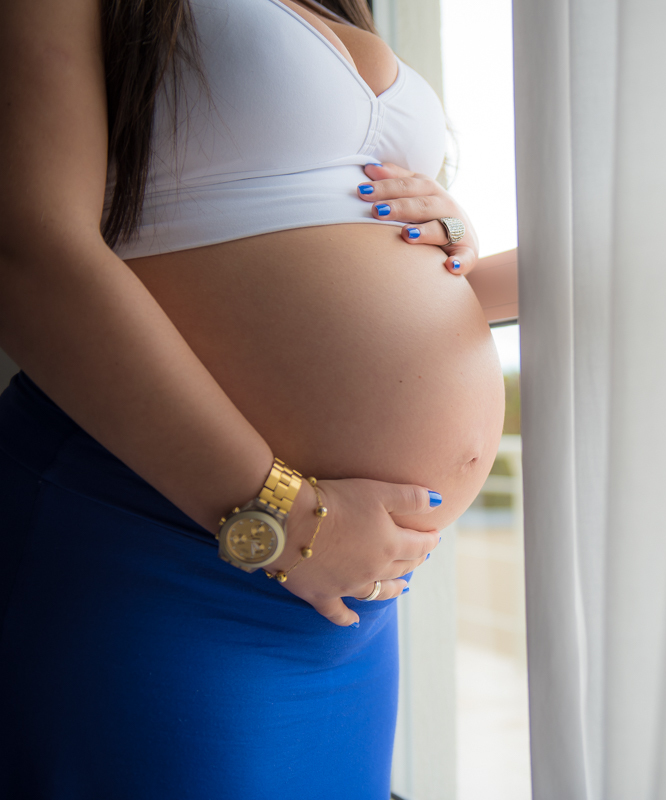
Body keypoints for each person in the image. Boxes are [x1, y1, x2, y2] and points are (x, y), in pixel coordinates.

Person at [0, 0, 505, 796]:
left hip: (335, 595)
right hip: (160, 533)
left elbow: (299, 254)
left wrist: (449, 243)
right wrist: (280, 514)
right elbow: (30, 249)